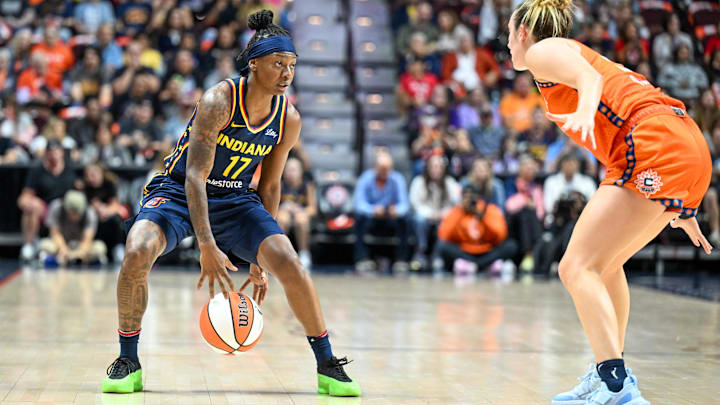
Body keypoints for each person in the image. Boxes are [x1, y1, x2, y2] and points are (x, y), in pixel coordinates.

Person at [101, 10, 360, 397]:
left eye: (292, 65)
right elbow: (194, 177)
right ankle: (128, 360)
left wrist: (257, 259)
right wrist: (206, 244)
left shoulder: (287, 118)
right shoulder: (219, 100)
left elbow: (270, 185)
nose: (287, 73)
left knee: (289, 262)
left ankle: (326, 365)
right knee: (137, 250)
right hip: (178, 192)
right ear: (254, 64)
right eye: (278, 64)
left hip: (238, 199)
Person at [507, 1, 713, 404]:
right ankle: (609, 372)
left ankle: (616, 384)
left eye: (509, 35)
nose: (508, 45)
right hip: (684, 142)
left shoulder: (541, 52)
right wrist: (683, 205)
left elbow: (587, 80)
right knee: (604, 265)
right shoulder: (570, 51)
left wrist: (585, 109)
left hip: (651, 141)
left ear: (524, 32)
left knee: (574, 266)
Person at [433, 184, 517, 274]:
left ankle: (475, 265)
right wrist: (461, 212)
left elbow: (501, 235)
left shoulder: (489, 210)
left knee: (511, 245)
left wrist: (483, 216)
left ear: (479, 198)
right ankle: (485, 265)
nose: (470, 201)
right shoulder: (457, 211)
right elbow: (444, 235)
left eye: (472, 198)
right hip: (465, 250)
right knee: (444, 247)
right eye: (466, 198)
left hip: (487, 249)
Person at [17, 141, 78, 261]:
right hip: (45, 210)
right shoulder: (38, 170)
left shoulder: (70, 169)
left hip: (64, 211)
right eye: (51, 151)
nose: (54, 154)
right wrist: (31, 202)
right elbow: (23, 198)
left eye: (57, 151)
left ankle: (74, 245)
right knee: (32, 208)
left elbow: (78, 192)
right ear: (46, 153)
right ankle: (28, 245)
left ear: (62, 152)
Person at [353, 151, 410, 273]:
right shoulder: (365, 178)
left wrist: (396, 210)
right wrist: (372, 209)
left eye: (388, 169)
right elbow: (359, 204)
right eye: (383, 169)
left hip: (390, 217)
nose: (386, 172)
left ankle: (401, 259)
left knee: (405, 220)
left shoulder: (397, 179)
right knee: (359, 219)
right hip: (372, 218)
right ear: (375, 167)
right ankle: (362, 258)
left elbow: (404, 205)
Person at [409, 155, 461, 269]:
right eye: (433, 166)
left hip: (442, 216)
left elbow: (456, 204)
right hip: (424, 216)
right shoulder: (418, 181)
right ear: (427, 168)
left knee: (446, 223)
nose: (436, 169)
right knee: (419, 220)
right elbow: (415, 204)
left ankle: (438, 255)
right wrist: (430, 214)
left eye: (438, 167)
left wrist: (442, 214)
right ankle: (420, 252)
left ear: (443, 169)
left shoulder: (450, 182)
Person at [38, 190, 107, 266]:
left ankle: (77, 260)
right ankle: (56, 260)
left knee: (99, 248)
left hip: (81, 246)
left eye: (77, 213)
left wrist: (80, 252)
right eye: (72, 213)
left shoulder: (90, 212)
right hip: (60, 246)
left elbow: (88, 238)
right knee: (45, 245)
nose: (74, 217)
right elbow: (55, 233)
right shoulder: (56, 207)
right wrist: (64, 250)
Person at [277, 157, 316, 270]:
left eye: (294, 170)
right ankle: (280, 254)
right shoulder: (280, 184)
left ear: (300, 172)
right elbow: (273, 206)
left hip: (300, 213)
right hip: (284, 212)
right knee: (282, 218)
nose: (291, 173)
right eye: (288, 169)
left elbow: (313, 208)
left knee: (301, 219)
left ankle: (304, 254)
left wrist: (300, 210)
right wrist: (285, 208)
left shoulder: (307, 185)